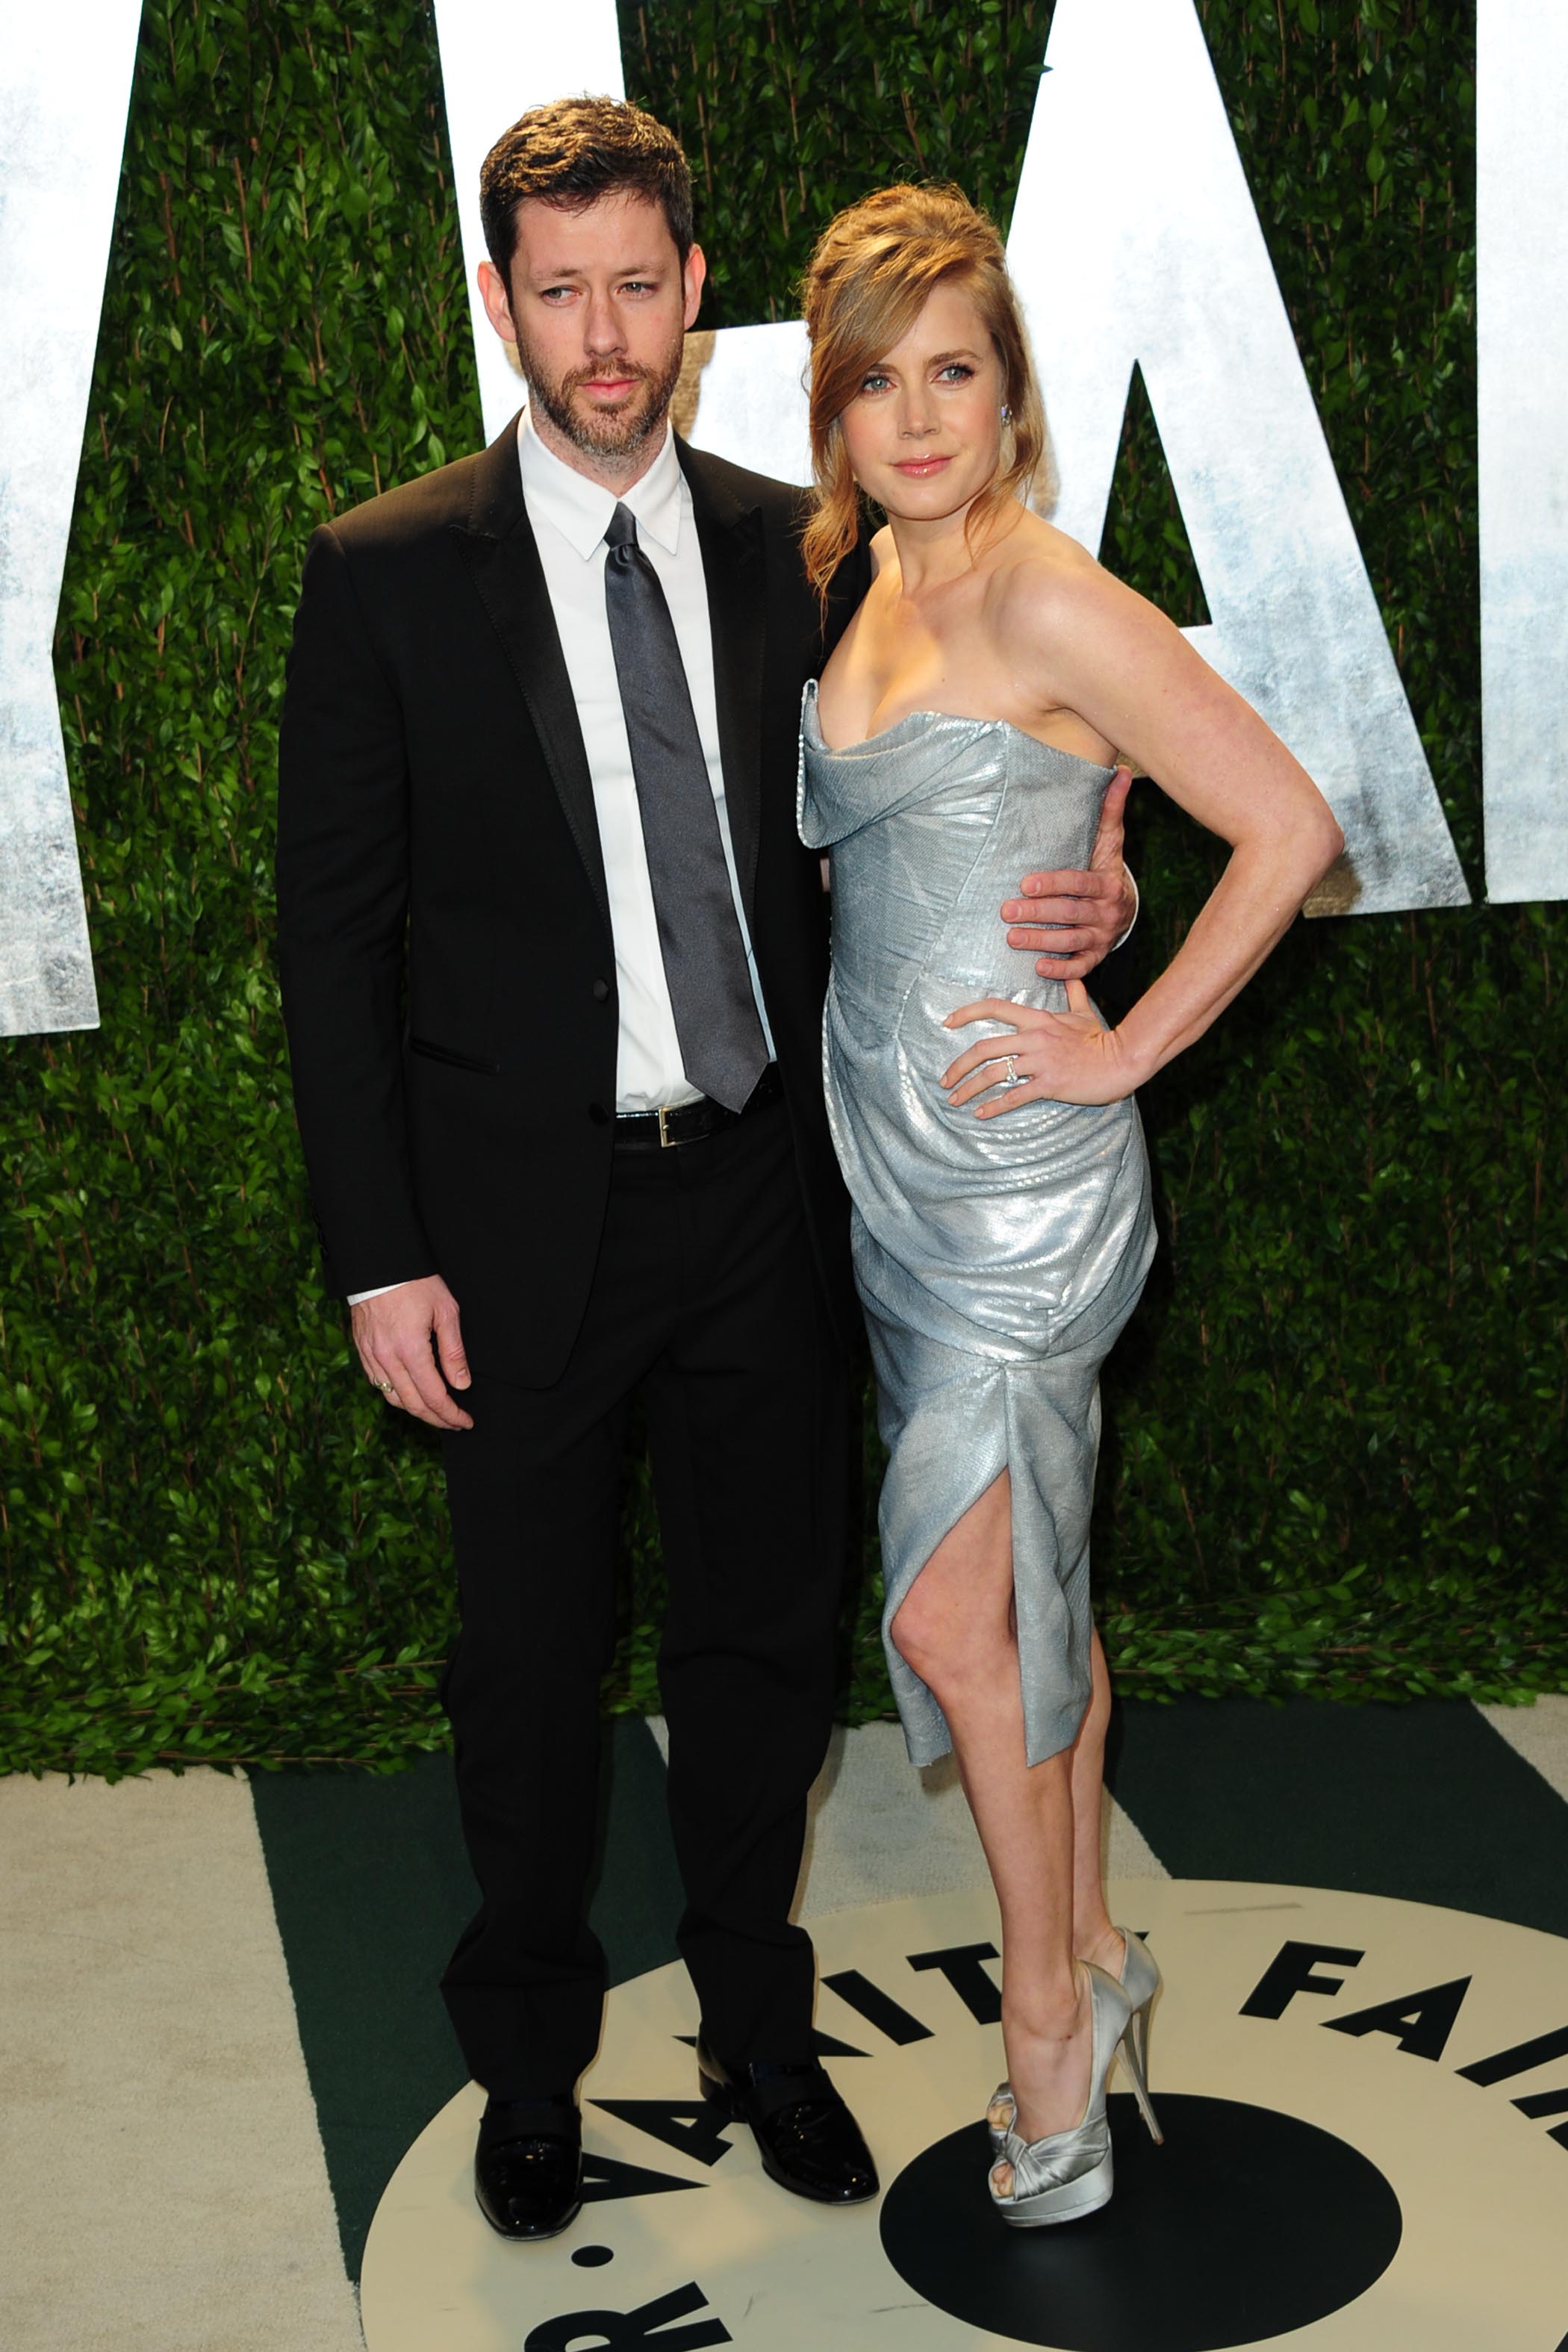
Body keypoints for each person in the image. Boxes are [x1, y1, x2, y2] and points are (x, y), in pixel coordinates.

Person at [276, 109, 1136, 2243]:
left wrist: (1094, 878)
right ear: (500, 302)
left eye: (639, 286)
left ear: (692, 298)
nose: (604, 334)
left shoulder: (797, 552)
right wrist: (381, 1257)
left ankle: (762, 2033)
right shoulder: (385, 571)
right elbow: (331, 945)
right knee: (526, 1673)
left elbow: (970, 764)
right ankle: (529, 2067)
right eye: (559, 289)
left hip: (767, 1195)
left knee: (760, 1655)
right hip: (513, 1226)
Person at [797, 183, 1344, 2229]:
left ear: (1012, 393)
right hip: (888, 1179)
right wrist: (1084, 878)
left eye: (954, 372)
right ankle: (1099, 1945)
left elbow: (1287, 825)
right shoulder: (857, 581)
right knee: (1031, 1593)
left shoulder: (1044, 595)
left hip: (1024, 1192)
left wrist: (1120, 1048)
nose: (918, 416)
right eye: (879, 382)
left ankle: (1046, 2029)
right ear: (836, 411)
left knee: (952, 1617)